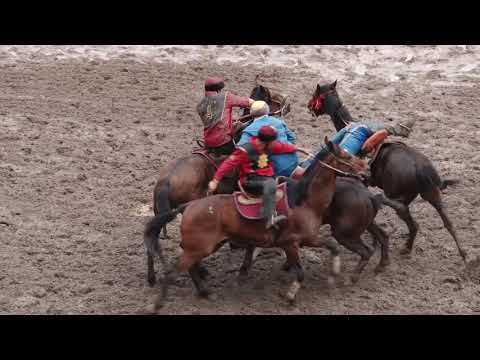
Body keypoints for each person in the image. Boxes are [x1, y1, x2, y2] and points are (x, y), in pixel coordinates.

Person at [208, 125, 298, 229]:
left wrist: (297, 149)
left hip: (267, 177)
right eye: (274, 141)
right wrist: (215, 180)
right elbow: (228, 163)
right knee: (271, 185)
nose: (275, 143)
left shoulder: (269, 146)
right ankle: (269, 217)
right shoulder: (245, 150)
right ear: (266, 142)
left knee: (290, 183)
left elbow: (282, 147)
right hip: (250, 180)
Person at [300, 119, 416, 168]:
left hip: (352, 127)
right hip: (358, 132)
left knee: (327, 148)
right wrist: (361, 157)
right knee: (340, 157)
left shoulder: (382, 126)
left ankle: (305, 164)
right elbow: (367, 146)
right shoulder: (386, 131)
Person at [237, 101, 299, 177]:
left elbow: (241, 150)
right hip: (294, 161)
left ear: (251, 112)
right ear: (267, 110)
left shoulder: (249, 130)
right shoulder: (279, 122)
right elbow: (292, 138)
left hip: (277, 168)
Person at [196, 77, 254, 155]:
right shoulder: (226, 97)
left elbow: (212, 117)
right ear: (218, 90)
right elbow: (248, 102)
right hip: (223, 142)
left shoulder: (200, 105)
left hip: (208, 142)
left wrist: (232, 119)